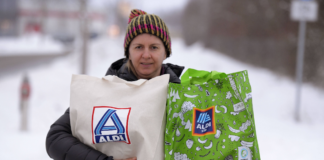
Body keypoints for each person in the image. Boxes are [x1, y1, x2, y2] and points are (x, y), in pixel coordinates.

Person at [46, 9, 184, 160]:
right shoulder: (103, 94)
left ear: (166, 52)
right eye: (138, 47)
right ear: (128, 52)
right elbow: (56, 138)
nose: (146, 55)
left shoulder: (181, 97)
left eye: (154, 47)